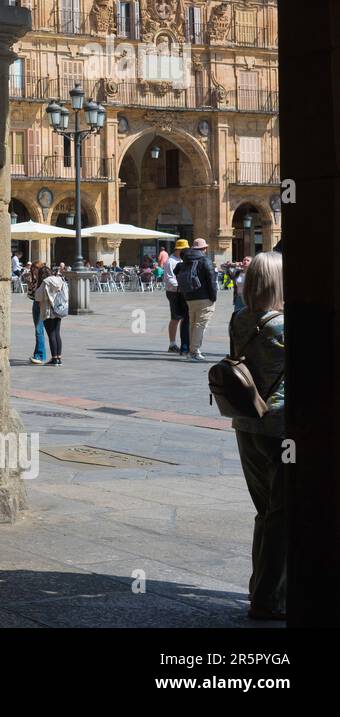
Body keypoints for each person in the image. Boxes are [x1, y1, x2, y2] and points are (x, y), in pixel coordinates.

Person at [227, 251, 286, 621]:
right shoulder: (284, 325)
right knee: (282, 513)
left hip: (246, 421)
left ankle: (260, 588)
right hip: (282, 425)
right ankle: (268, 598)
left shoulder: (239, 319)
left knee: (265, 511)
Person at [176, 237, 217, 360]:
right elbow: (211, 280)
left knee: (192, 324)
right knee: (200, 324)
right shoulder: (205, 260)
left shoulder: (186, 260)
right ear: (204, 248)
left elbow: (176, 270)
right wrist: (213, 297)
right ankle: (194, 351)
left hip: (189, 296)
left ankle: (191, 350)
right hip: (204, 297)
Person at [34, 265, 68, 366]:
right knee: (57, 333)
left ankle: (54, 359)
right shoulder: (60, 280)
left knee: (51, 334)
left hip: (48, 310)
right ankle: (59, 358)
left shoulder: (45, 282)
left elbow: (38, 297)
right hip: (58, 309)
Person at [162, 243, 190, 356]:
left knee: (184, 318)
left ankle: (185, 343)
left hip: (181, 291)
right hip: (174, 292)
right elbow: (169, 278)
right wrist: (180, 287)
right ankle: (172, 344)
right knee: (175, 318)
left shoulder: (183, 260)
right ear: (178, 249)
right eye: (184, 250)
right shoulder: (171, 261)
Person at [25, 262, 48, 365]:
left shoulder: (43, 279)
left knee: (39, 330)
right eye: (33, 269)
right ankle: (37, 354)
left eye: (35, 269)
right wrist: (30, 285)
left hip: (40, 305)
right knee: (38, 330)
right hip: (36, 304)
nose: (34, 271)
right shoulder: (35, 279)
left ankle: (40, 355)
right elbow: (31, 296)